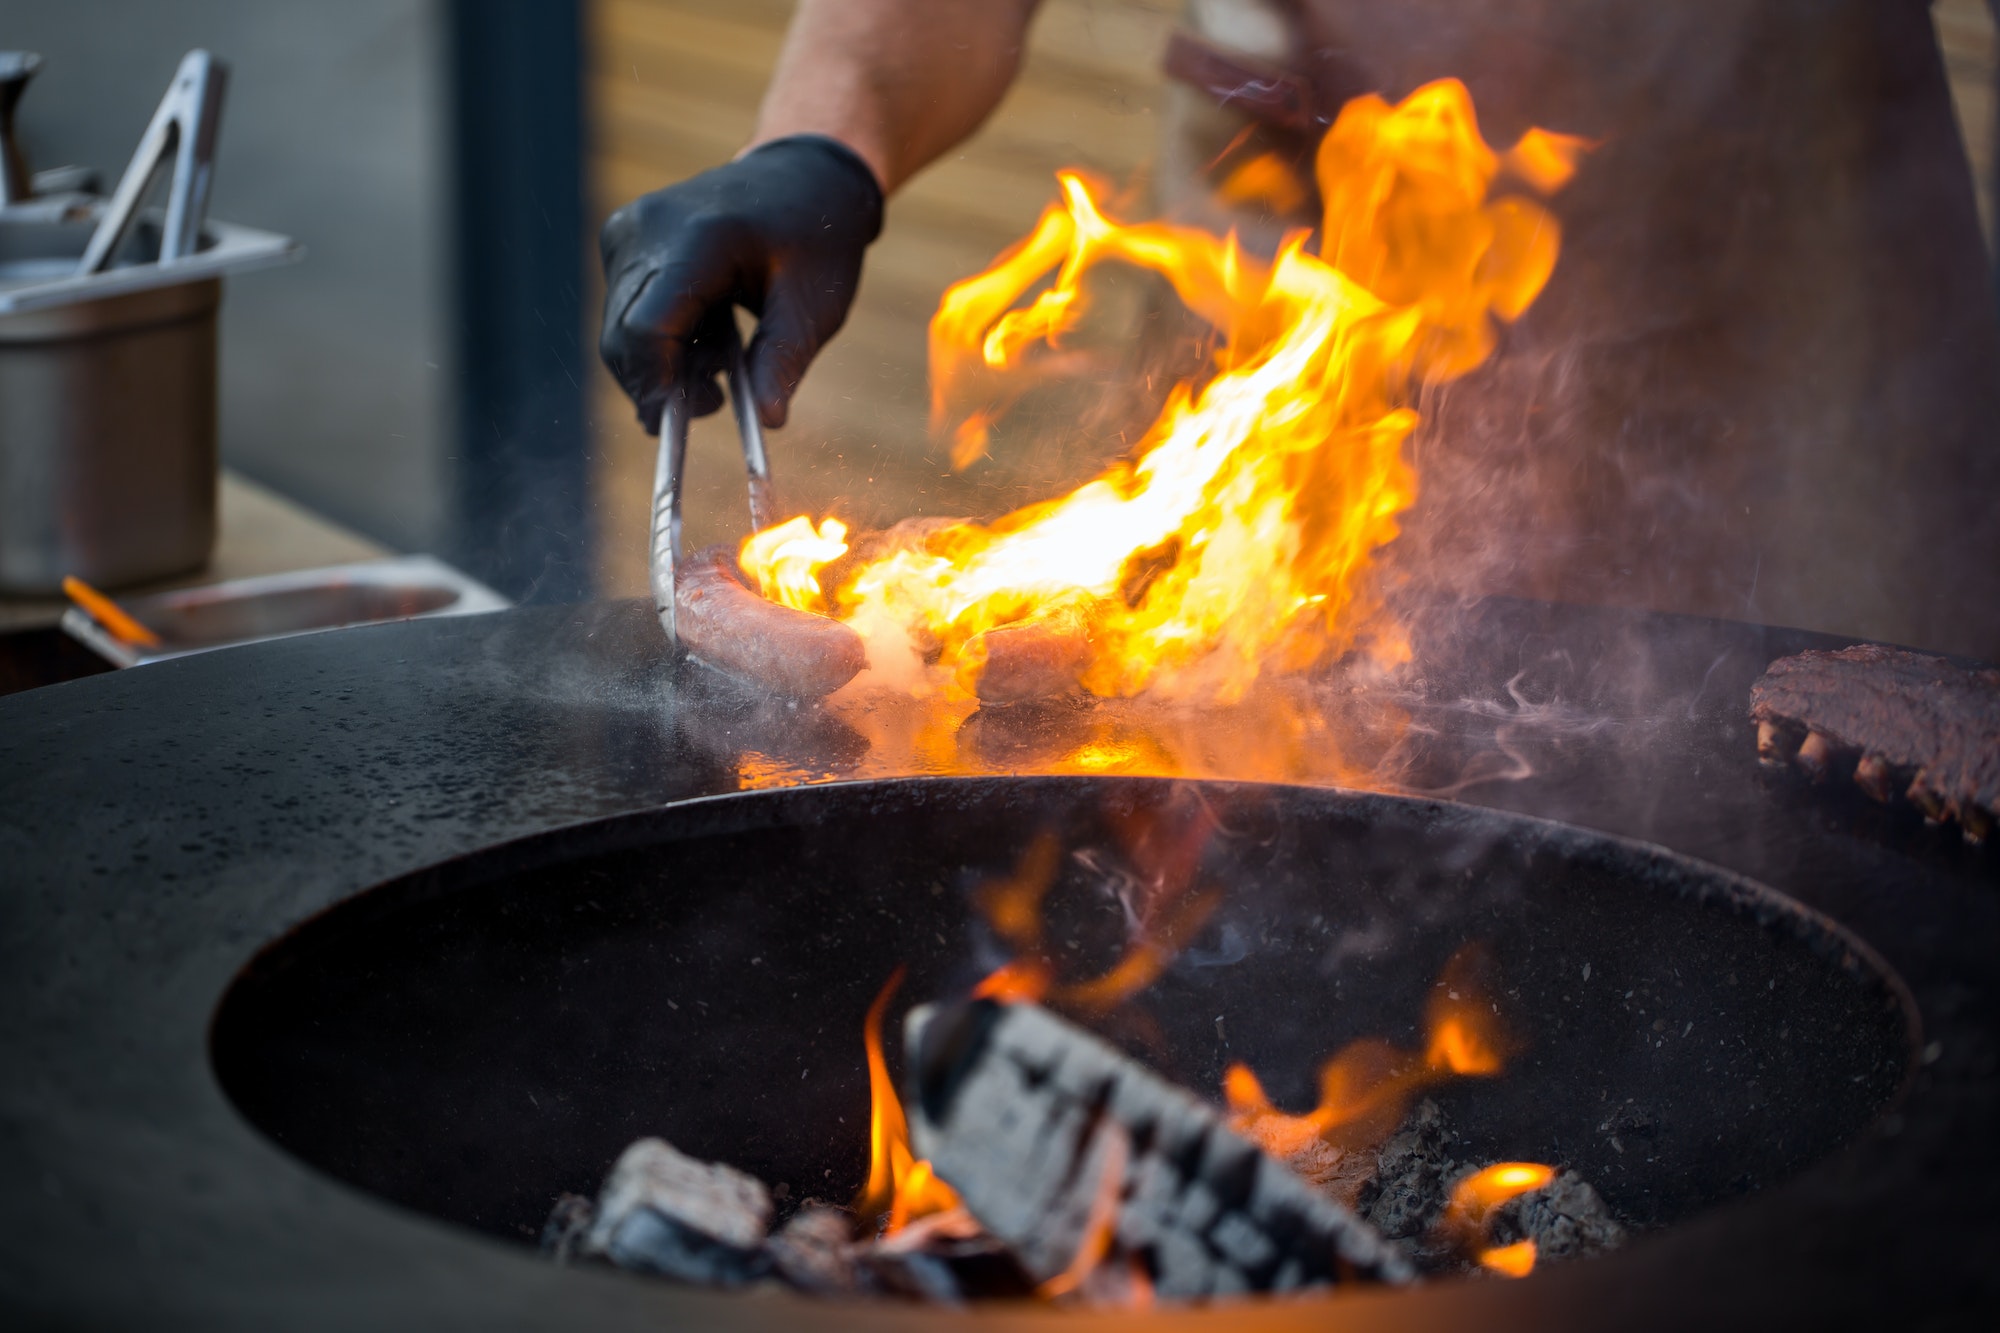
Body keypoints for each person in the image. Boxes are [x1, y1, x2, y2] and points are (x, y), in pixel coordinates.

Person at [599, 0, 2000, 661]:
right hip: (1277, 232)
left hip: (1770, 253)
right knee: (1244, 809)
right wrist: (822, 145)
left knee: (1840, 852)